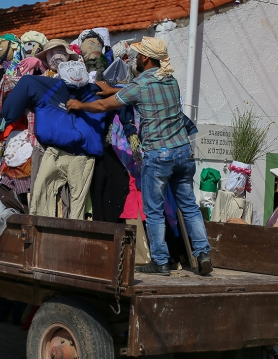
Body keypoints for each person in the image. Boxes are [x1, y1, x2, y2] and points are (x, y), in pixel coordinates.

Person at [66, 36, 213, 276]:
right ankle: (203, 254)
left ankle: (160, 261)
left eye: (138, 56)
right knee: (189, 206)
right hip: (183, 152)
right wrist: (114, 89)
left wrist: (79, 105)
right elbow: (137, 92)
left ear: (145, 58)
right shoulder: (171, 80)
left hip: (158, 155)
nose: (135, 60)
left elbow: (106, 106)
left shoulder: (141, 83)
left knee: (153, 209)